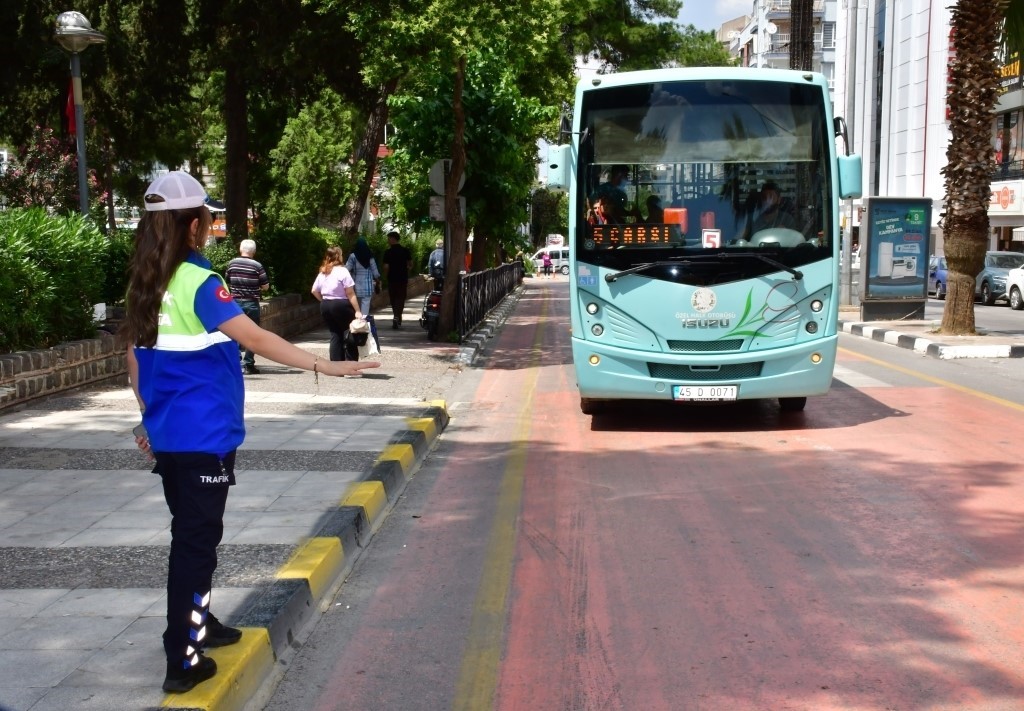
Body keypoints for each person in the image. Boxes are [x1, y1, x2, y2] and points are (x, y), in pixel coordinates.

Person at [119, 172, 377, 694]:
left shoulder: (147, 279)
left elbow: (133, 355)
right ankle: (182, 659)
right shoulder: (197, 280)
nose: (213, 226)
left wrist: (148, 416)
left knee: (194, 537)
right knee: (195, 545)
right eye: (208, 218)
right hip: (202, 436)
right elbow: (254, 336)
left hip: (173, 435)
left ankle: (201, 624)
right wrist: (321, 367)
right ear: (192, 224)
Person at [312, 246, 365, 362]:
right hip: (341, 304)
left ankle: (336, 365)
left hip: (326, 305)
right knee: (349, 332)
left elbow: (314, 290)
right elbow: (350, 293)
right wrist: (357, 310)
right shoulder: (343, 271)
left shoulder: (323, 271)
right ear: (339, 256)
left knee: (335, 334)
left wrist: (323, 301)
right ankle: (350, 364)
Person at [225, 239, 269, 374]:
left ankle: (236, 361)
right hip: (251, 303)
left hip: (235, 302)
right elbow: (265, 286)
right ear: (254, 252)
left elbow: (227, 280)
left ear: (240, 249)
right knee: (252, 334)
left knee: (235, 333)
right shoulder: (257, 266)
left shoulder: (232, 264)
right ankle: (249, 364)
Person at [381, 231, 412, 329]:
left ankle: (396, 316)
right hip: (402, 278)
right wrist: (407, 269)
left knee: (393, 298)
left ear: (393, 239)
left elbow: (386, 266)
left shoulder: (388, 252)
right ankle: (398, 316)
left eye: (388, 238)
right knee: (401, 298)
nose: (387, 241)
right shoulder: (405, 250)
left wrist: (385, 276)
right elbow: (411, 264)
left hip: (392, 278)